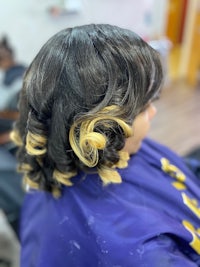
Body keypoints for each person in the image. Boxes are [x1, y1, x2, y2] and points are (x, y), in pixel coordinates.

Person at [11, 24, 200, 266]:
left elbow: (182, 170)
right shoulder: (139, 252)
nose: (153, 112)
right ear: (102, 129)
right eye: (143, 108)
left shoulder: (124, 148)